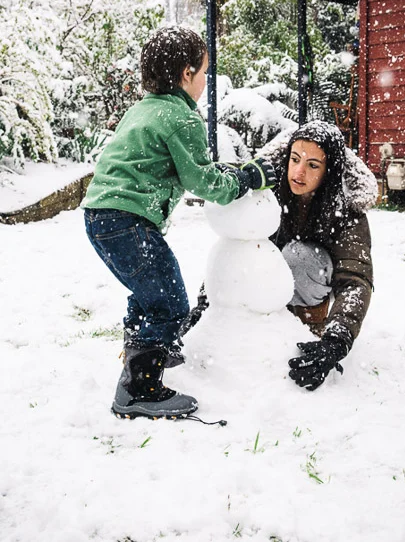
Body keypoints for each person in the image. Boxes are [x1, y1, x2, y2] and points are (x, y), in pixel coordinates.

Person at [82, 26, 276, 420]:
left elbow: (188, 167)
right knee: (171, 303)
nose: (206, 81)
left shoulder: (144, 109)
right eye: (204, 72)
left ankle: (145, 353)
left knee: (149, 292)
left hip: (101, 215)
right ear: (186, 74)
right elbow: (204, 183)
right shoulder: (182, 119)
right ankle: (138, 389)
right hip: (127, 220)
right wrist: (247, 177)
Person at [262, 120, 376, 391]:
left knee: (298, 255)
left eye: (313, 165)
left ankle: (308, 322)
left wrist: (337, 340)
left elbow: (355, 280)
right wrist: (207, 304)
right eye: (295, 159)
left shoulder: (346, 210)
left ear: (329, 172)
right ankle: (267, 323)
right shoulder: (267, 195)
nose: (299, 171)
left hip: (313, 284)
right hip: (266, 290)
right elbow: (239, 249)